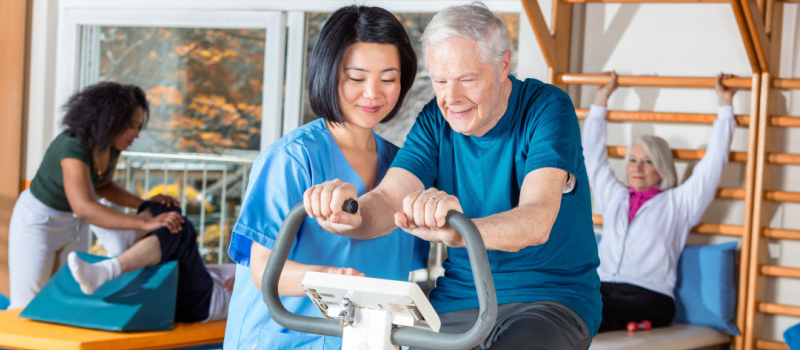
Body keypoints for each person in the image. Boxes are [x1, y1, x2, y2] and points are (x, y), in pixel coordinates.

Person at [305, 3, 601, 349]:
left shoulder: (547, 108)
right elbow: (388, 199)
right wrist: (350, 214)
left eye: (467, 80)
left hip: (550, 298)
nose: (451, 98)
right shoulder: (435, 120)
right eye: (440, 81)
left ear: (503, 65)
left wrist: (458, 232)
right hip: (462, 298)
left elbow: (537, 220)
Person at [222, 5, 428, 349]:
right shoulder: (292, 159)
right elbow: (262, 270)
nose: (373, 93)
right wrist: (332, 280)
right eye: (357, 78)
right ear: (329, 73)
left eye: (388, 79)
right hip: (282, 340)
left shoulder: (403, 166)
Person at [582, 71, 738, 332]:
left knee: (591, 309)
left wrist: (725, 107)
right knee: (564, 300)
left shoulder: (679, 203)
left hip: (651, 296)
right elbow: (592, 156)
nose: (637, 168)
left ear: (662, 167)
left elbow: (713, 165)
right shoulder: (615, 196)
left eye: (648, 161)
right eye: (633, 160)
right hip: (604, 286)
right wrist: (601, 98)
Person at [8, 82, 184, 309]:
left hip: (73, 224)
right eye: (131, 125)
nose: (136, 134)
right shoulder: (72, 146)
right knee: (25, 304)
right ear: (109, 119)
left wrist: (144, 203)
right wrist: (146, 223)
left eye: (139, 127)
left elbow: (103, 185)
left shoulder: (110, 147)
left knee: (64, 298)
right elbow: (84, 207)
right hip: (39, 221)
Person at [67, 201, 235, 323]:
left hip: (205, 301)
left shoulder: (255, 281)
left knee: (181, 229)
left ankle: (107, 270)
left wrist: (248, 282)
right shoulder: (254, 265)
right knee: (166, 206)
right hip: (204, 280)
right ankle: (127, 239)